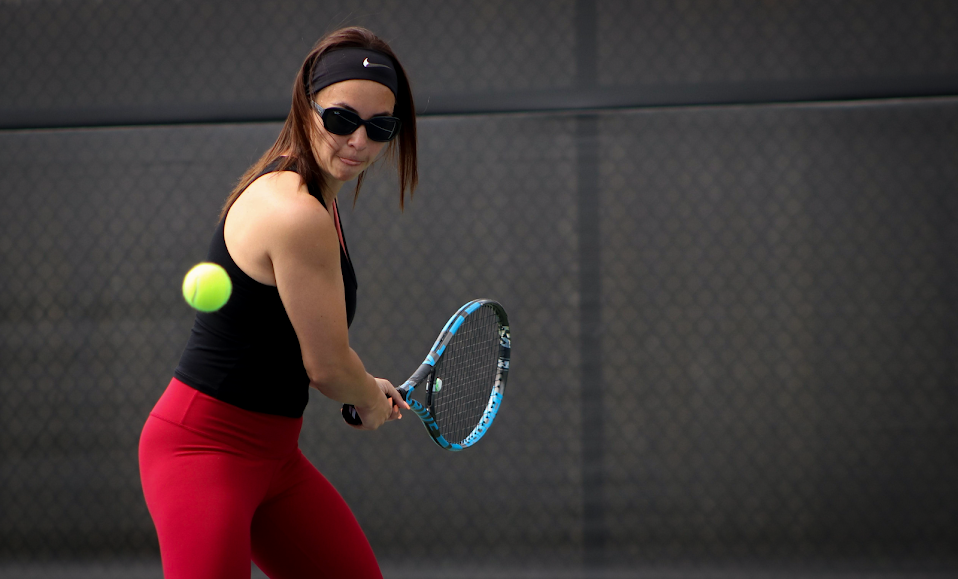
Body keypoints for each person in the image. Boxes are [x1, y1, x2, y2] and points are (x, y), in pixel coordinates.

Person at [138, 26, 416, 579]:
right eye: (341, 119)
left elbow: (316, 348)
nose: (359, 140)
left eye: (379, 127)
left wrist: (364, 387)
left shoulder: (316, 198)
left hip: (276, 459)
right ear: (305, 107)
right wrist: (364, 396)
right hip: (203, 453)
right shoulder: (296, 213)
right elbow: (328, 368)